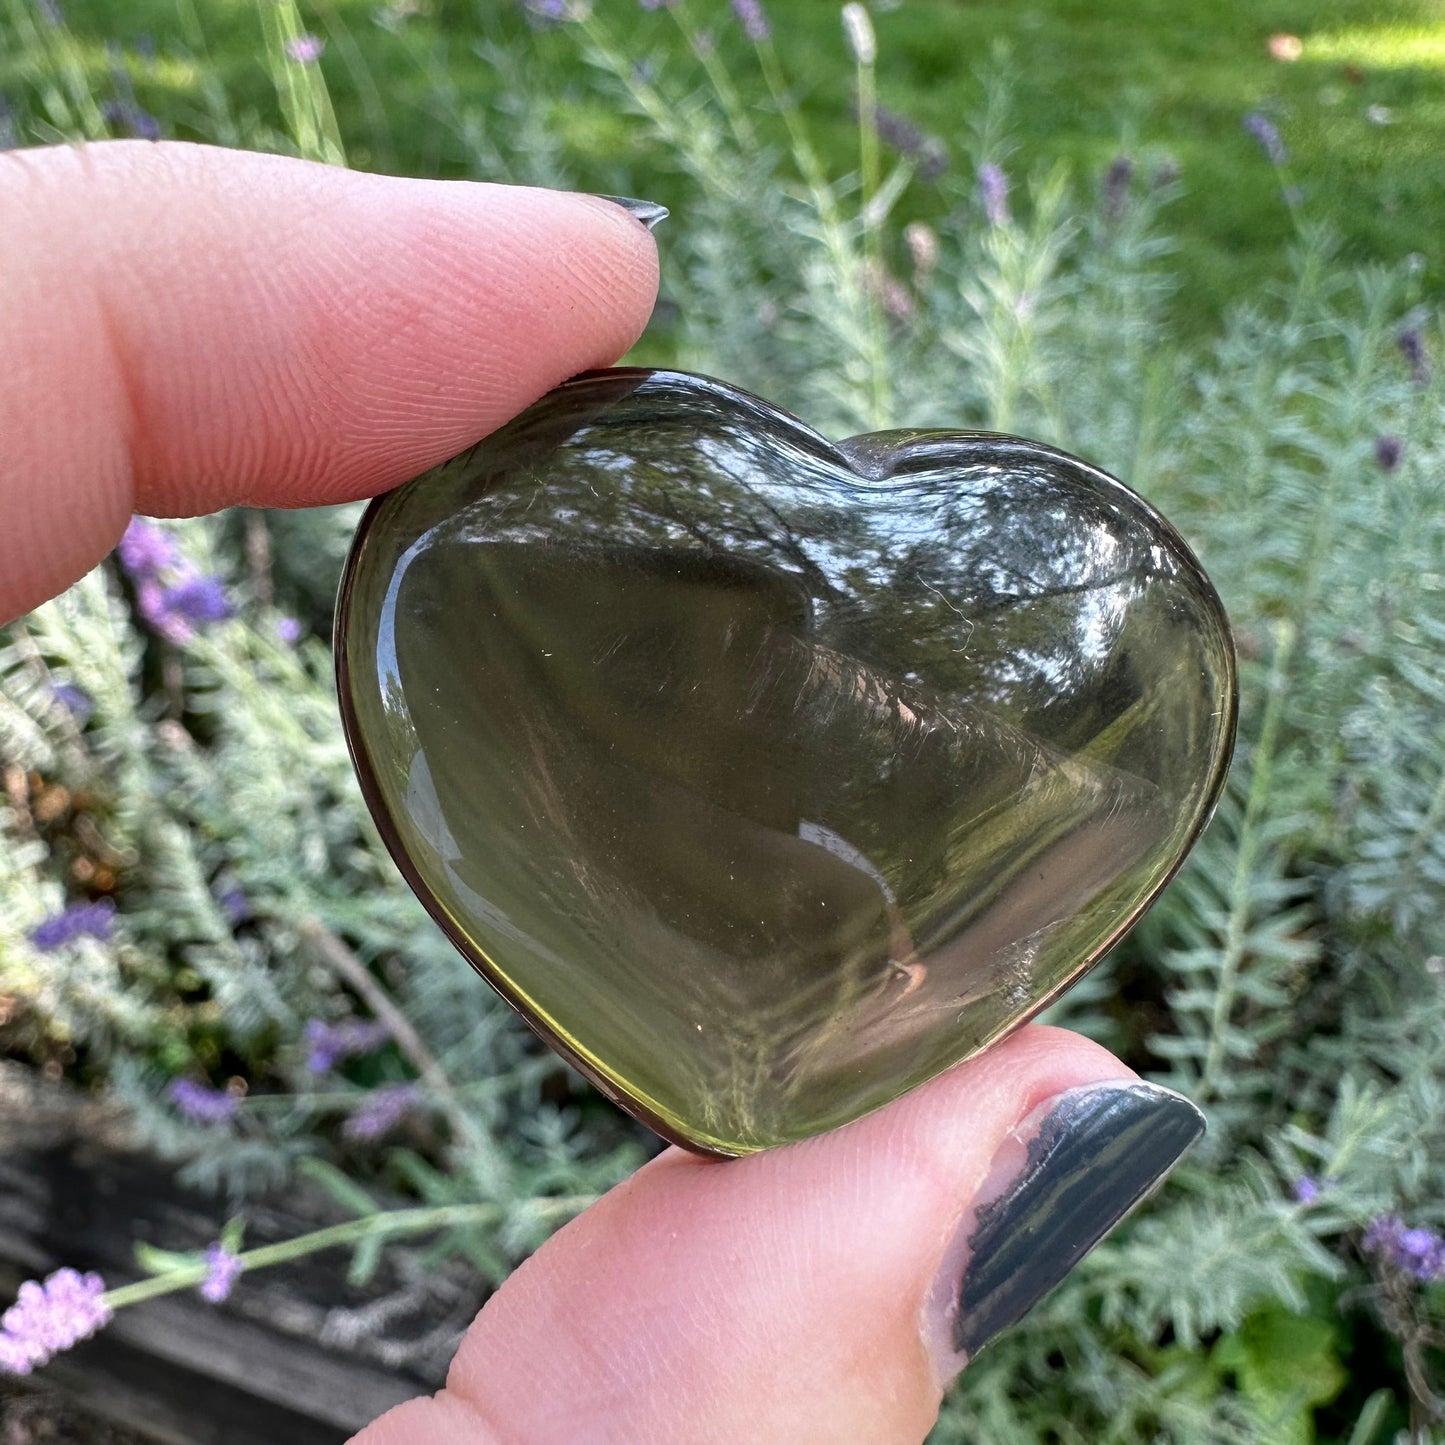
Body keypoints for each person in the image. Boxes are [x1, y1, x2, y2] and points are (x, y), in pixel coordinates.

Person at [0, 141, 1203, 1444]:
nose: (731, 684)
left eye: (748, 652)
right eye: (670, 656)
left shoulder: (851, 869)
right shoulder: (541, 731)